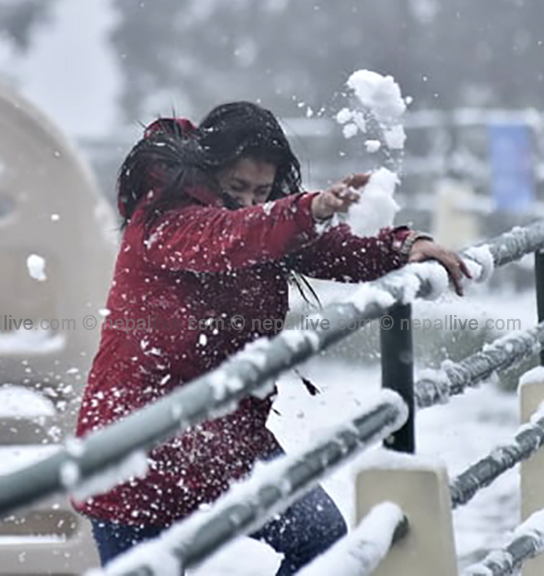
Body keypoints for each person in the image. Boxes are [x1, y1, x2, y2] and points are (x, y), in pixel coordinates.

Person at [72, 101, 471, 574]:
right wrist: (307, 210)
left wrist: (402, 246)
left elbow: (324, 247)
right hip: (140, 445)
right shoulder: (164, 219)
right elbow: (228, 236)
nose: (248, 202)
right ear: (207, 170)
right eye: (236, 187)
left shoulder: (267, 224)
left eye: (261, 191)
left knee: (321, 538)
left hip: (229, 440)